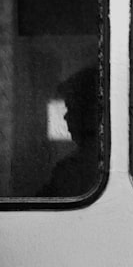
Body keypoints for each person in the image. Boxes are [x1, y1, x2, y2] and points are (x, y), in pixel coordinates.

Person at [39, 66, 99, 197]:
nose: (65, 117)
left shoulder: (72, 172)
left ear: (90, 113)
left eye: (71, 108)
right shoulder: (71, 168)